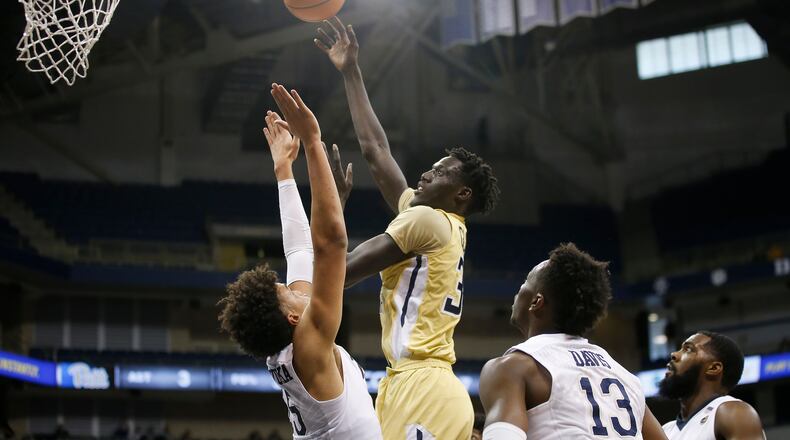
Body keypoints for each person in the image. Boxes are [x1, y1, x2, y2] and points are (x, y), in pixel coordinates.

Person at [315, 16, 501, 440]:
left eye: (439, 174)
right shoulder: (439, 223)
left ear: (462, 194)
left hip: (421, 385)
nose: (425, 175)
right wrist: (351, 71)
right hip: (419, 383)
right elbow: (376, 152)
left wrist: (330, 208)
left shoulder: (426, 221)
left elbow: (337, 274)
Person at [218, 83, 381, 439]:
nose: (295, 287)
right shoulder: (309, 341)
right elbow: (331, 245)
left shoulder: (289, 343)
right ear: (292, 316)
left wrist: (284, 171)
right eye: (287, 291)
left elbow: (299, 251)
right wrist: (311, 142)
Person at [479, 243, 667, 440]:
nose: (518, 291)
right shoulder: (626, 378)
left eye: (525, 282)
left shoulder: (514, 367)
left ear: (537, 302)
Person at [659, 331, 765, 440]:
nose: (674, 354)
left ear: (713, 368)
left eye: (688, 349)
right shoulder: (665, 430)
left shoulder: (732, 412)